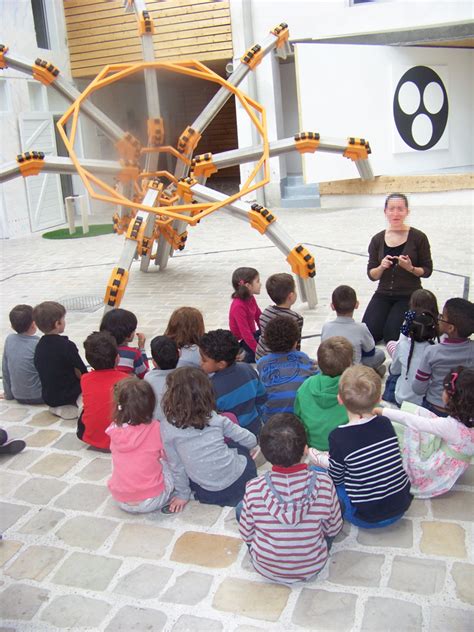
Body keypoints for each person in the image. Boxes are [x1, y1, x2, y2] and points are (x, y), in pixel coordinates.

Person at [238, 413, 342, 584]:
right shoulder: (324, 482)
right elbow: (333, 529)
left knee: (241, 508)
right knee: (338, 505)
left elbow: (247, 535)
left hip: (266, 567)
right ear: (305, 449)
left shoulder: (254, 487)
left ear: (264, 452)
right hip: (312, 565)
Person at [310, 365, 412, 528]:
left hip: (366, 517)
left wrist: (322, 460)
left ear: (339, 399)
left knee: (316, 471)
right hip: (401, 507)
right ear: (379, 398)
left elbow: (336, 478)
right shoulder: (385, 423)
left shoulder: (338, 436)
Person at [160, 367, 258, 511]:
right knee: (238, 448)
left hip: (209, 494)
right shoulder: (216, 418)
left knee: (177, 464)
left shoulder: (167, 428)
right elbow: (249, 439)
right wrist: (253, 446)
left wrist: (183, 494)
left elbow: (177, 466)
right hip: (241, 481)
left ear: (171, 396)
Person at [375, 367, 473, 498]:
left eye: (445, 390)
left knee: (412, 424)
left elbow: (412, 421)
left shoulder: (451, 426)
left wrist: (383, 412)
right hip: (457, 462)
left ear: (452, 398)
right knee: (424, 415)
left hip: (437, 470)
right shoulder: (465, 420)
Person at [362, 193, 433, 344]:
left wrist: (411, 268)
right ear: (385, 212)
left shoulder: (419, 237)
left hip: (408, 294)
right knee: (369, 333)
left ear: (407, 211)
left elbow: (427, 270)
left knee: (392, 336)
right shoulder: (377, 239)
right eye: (391, 209)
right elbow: (372, 275)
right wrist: (381, 267)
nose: (395, 213)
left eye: (400, 209)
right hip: (383, 292)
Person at [106, 377, 174, 513]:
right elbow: (168, 458)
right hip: (152, 499)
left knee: (120, 460)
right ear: (151, 404)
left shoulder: (113, 429)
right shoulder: (156, 428)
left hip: (121, 499)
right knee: (169, 462)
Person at [199, 329, 266, 437]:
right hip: (254, 428)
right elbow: (262, 398)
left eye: (204, 360)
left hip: (231, 437)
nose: (200, 363)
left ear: (221, 364)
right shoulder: (248, 369)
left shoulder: (210, 388)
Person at [413, 298, 474, 415]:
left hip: (434, 408)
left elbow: (418, 388)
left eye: (442, 317)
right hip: (463, 411)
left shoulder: (432, 351)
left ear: (451, 328)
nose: (439, 318)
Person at [294, 337, 353, 450]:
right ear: (350, 363)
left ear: (318, 363)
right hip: (345, 447)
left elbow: (298, 415)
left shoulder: (306, 385)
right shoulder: (354, 386)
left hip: (314, 445)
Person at [33, 301, 87, 419]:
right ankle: (79, 407)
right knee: (86, 387)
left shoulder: (39, 346)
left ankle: (57, 408)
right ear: (58, 323)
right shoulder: (67, 346)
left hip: (49, 396)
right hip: (69, 393)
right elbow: (82, 371)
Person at [77, 331, 127, 450]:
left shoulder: (85, 379)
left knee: (83, 408)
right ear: (117, 358)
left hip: (91, 438)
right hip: (120, 439)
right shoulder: (127, 380)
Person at [256, 316, 315, 418]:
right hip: (300, 416)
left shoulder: (262, 363)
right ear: (295, 342)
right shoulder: (303, 357)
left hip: (272, 418)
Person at [321, 285, 385, 375]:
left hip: (331, 368)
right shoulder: (361, 328)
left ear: (332, 306)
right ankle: (369, 372)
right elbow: (370, 351)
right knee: (380, 354)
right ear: (357, 304)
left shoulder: (326, 327)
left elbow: (324, 351)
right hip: (353, 372)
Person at [388, 311, 438, 407]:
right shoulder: (435, 349)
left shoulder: (402, 345)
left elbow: (394, 371)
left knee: (393, 374)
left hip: (402, 399)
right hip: (423, 401)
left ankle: (388, 398)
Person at [255, 273, 303, 361]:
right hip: (281, 360)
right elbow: (296, 345)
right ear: (290, 296)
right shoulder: (295, 318)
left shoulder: (266, 312)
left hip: (261, 356)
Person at [1, 304, 43, 404]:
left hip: (18, 395)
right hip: (40, 395)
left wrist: (8, 394)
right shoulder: (38, 343)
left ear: (11, 326)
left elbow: (5, 370)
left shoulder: (9, 340)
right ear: (34, 324)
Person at [99, 308, 148, 378]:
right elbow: (145, 375)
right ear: (128, 334)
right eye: (133, 329)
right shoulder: (133, 353)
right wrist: (142, 348)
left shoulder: (100, 350)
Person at [229, 267, 262, 363]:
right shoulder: (238, 306)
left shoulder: (250, 298)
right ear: (248, 285)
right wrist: (258, 351)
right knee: (257, 356)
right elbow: (245, 333)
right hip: (241, 342)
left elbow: (259, 317)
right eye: (257, 281)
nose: (260, 284)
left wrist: (266, 332)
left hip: (251, 335)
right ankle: (240, 357)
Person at [144, 335, 179, 422]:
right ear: (179, 354)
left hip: (156, 425)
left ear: (154, 362)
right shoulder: (186, 375)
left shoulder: (148, 378)